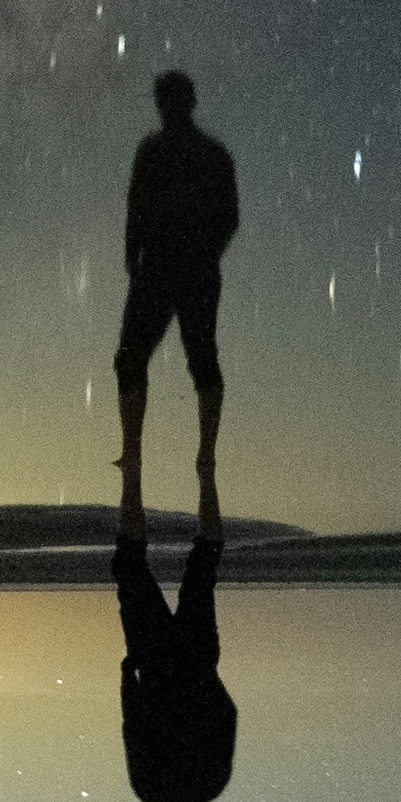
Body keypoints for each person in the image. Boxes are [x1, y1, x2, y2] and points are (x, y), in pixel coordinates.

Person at [114, 66, 239, 490]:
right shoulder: (199, 153)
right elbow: (138, 210)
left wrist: (139, 257)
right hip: (178, 268)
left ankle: (194, 453)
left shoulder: (177, 153)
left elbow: (227, 217)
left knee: (186, 358)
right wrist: (136, 257)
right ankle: (151, 451)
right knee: (160, 358)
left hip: (179, 268)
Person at [114, 468, 233, 802]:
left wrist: (206, 679)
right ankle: (135, 478)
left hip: (195, 659)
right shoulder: (147, 788)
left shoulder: (211, 786)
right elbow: (132, 725)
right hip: (160, 661)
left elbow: (228, 717)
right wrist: (128, 675)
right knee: (130, 565)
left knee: (202, 568)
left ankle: (204, 477)